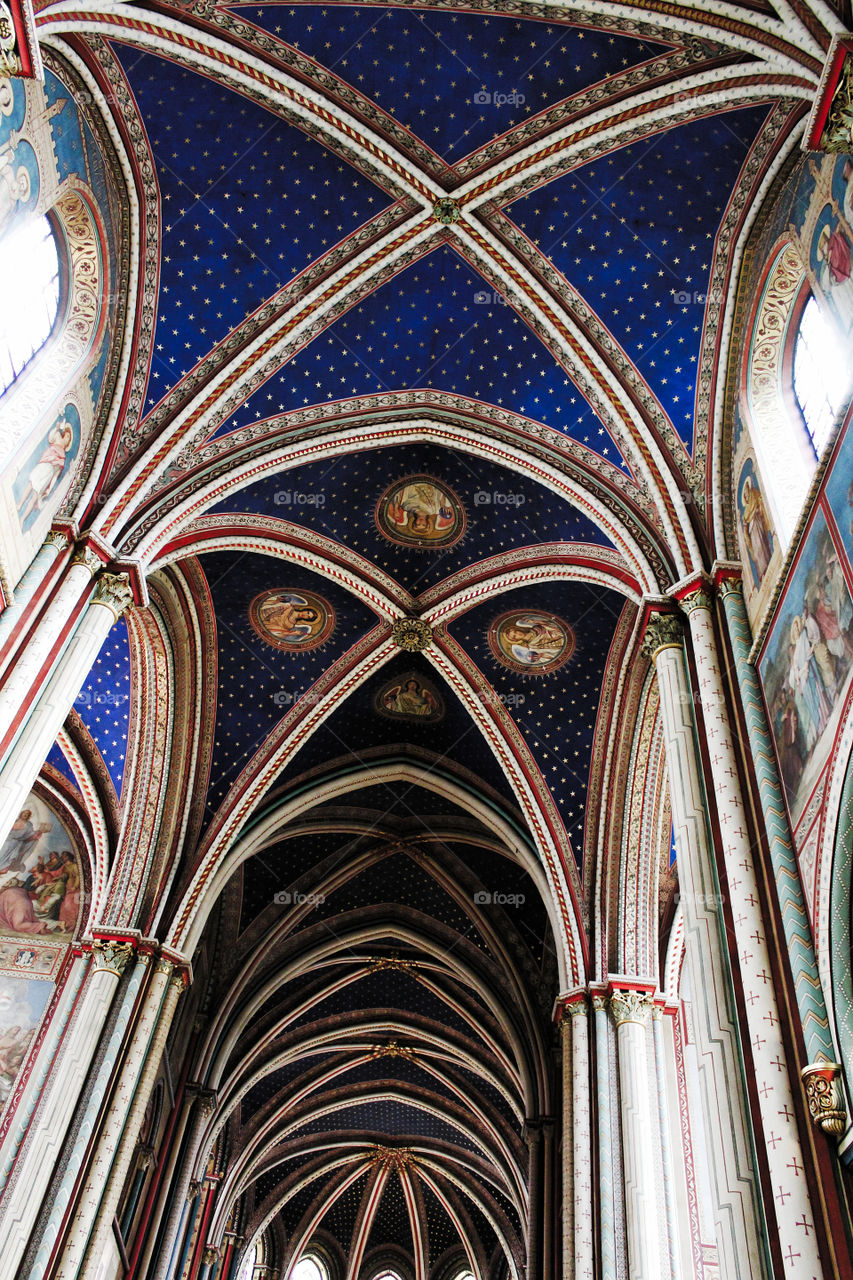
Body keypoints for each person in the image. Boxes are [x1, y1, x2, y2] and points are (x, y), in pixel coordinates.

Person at [16, 417, 75, 525]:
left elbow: (56, 476)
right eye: (67, 436)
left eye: (69, 438)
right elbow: (50, 437)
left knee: (35, 495)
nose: (67, 439)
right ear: (64, 434)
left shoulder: (63, 457)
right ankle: (19, 505)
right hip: (43, 464)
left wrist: (49, 489)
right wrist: (57, 429)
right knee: (31, 483)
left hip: (48, 474)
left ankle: (22, 519)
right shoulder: (57, 437)